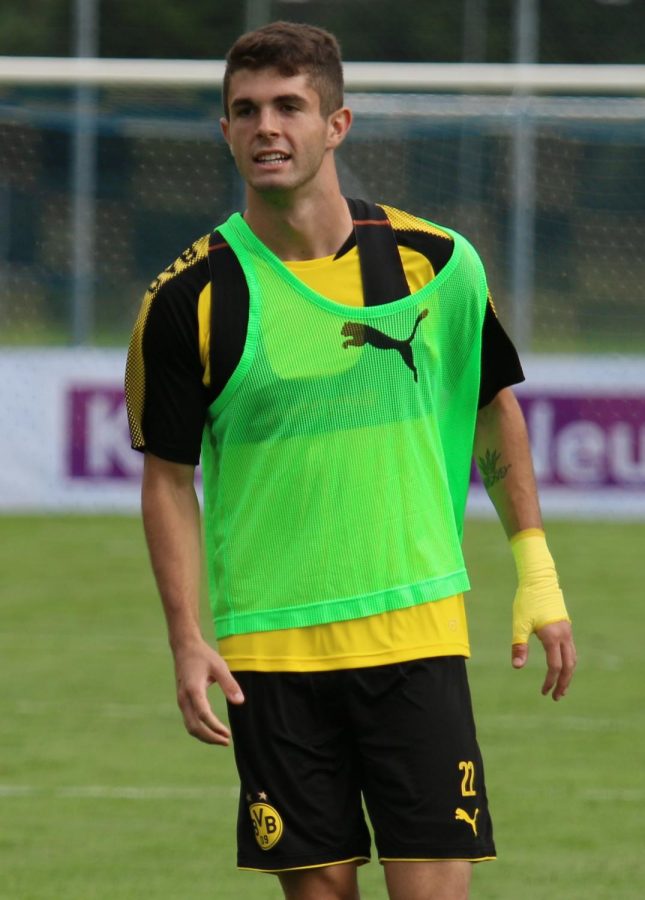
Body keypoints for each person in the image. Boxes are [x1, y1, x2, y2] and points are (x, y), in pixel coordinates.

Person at [125, 21, 576, 900]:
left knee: (433, 891)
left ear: (337, 124)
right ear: (224, 131)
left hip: (414, 627)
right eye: (245, 110)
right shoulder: (188, 297)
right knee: (320, 893)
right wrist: (187, 638)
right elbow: (168, 482)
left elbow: (493, 413)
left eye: (290, 106)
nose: (267, 127)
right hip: (270, 649)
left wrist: (537, 570)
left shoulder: (439, 265)